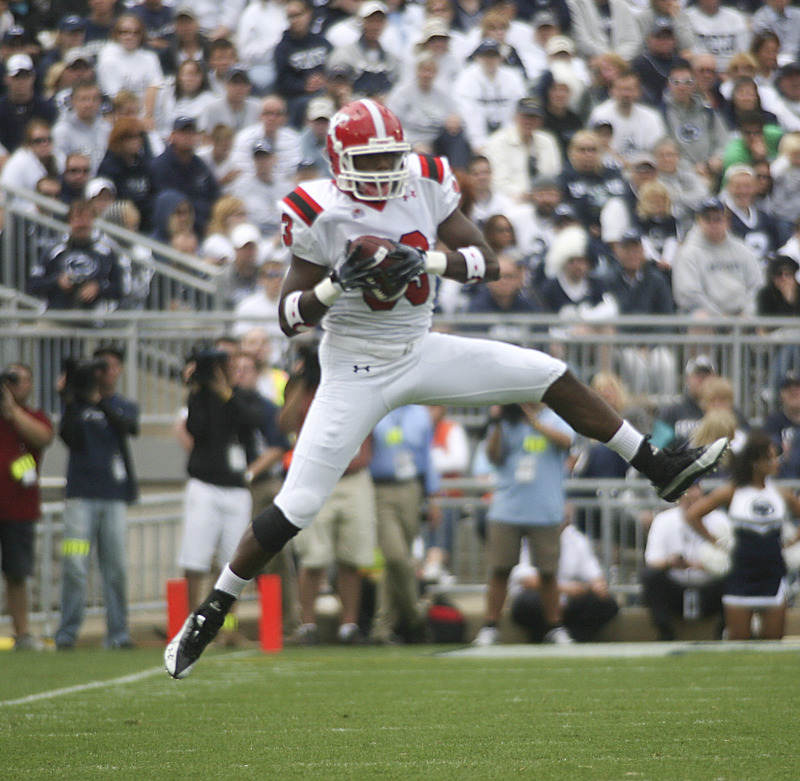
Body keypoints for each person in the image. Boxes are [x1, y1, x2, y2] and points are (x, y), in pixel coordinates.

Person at [165, 98, 727, 678]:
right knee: (298, 505)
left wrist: (425, 260)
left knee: (549, 374)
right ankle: (211, 611)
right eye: (370, 157)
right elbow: (287, 317)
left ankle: (657, 465)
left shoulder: (426, 180)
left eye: (390, 154)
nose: (383, 167)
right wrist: (336, 285)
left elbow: (487, 262)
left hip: (421, 349)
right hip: (355, 367)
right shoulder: (316, 209)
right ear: (338, 160)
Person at [55, 348, 139, 649]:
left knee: (115, 567)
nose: (104, 373)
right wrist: (69, 398)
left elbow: (129, 427)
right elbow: (69, 437)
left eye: (110, 367)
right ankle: (67, 633)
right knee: (75, 565)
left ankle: (118, 635)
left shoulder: (121, 405)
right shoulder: (75, 405)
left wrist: (99, 401)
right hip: (81, 496)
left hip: (113, 495)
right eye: (99, 367)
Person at [473, 402, 575, 646]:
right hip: (507, 508)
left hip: (545, 508)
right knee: (500, 569)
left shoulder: (556, 416)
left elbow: (567, 442)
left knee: (548, 571)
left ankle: (555, 627)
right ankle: (490, 626)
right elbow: (493, 456)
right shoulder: (507, 421)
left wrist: (534, 422)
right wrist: (497, 422)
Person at [685, 430, 800, 640]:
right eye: (772, 457)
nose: (777, 462)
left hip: (773, 575)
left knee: (773, 642)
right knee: (739, 644)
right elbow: (693, 515)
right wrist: (715, 541)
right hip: (740, 575)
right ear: (756, 462)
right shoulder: (731, 491)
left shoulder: (781, 494)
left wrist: (792, 541)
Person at [176, 348, 263, 612]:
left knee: (233, 562)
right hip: (204, 485)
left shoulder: (242, 397)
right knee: (196, 557)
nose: (232, 368)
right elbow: (196, 428)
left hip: (236, 489)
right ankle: (192, 621)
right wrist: (197, 389)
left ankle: (227, 623)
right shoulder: (199, 397)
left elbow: (251, 420)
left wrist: (225, 392)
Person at [0, 364, 54, 650]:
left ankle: (22, 633)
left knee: (17, 573)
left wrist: (12, 411)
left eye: (18, 380)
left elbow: (43, 438)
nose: (13, 385)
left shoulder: (33, 416)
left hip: (18, 509)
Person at [642, 483, 728, 641]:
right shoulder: (663, 520)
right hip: (676, 587)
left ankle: (723, 633)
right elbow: (652, 562)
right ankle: (665, 634)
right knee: (650, 576)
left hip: (710, 586)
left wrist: (707, 565)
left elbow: (731, 559)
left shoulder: (720, 520)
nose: (691, 504)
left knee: (734, 577)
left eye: (696, 499)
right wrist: (671, 562)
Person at [509, 520, 619, 642]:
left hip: (570, 602)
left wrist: (598, 586)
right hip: (540, 599)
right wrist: (564, 589)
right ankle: (543, 636)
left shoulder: (576, 538)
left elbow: (595, 574)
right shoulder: (527, 537)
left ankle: (574, 638)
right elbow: (525, 579)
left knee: (606, 603)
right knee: (528, 601)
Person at [27, 199, 125, 311]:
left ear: (93, 221)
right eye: (77, 218)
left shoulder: (106, 253)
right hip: (56, 319)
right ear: (69, 222)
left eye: (86, 218)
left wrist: (98, 288)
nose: (82, 223)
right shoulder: (54, 250)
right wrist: (57, 282)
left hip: (95, 321)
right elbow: (32, 285)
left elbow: (120, 289)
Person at [672, 197, 762, 318]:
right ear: (699, 221)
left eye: (718, 219)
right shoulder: (688, 252)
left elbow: (756, 285)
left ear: (727, 222)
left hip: (742, 314)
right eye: (707, 219)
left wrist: (747, 312)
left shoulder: (742, 250)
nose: (713, 224)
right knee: (700, 318)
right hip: (708, 314)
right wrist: (719, 317)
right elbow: (688, 295)